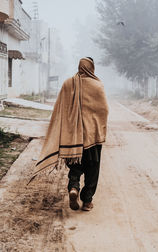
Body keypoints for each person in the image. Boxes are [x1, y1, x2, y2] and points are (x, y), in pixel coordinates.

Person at [29, 57, 109, 212]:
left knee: (75, 167)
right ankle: (87, 202)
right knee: (93, 169)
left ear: (79, 67)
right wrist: (98, 127)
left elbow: (60, 109)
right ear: (91, 68)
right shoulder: (98, 85)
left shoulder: (68, 84)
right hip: (92, 138)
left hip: (73, 138)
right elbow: (104, 110)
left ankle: (73, 188)